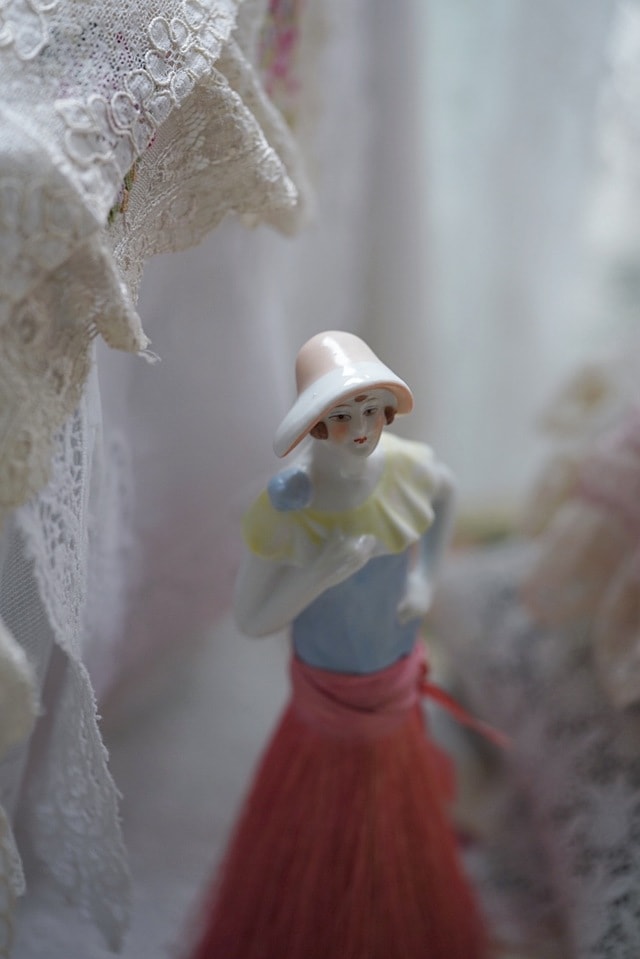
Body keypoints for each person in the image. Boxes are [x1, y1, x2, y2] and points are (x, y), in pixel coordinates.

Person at [188, 331, 488, 959]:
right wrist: (319, 575)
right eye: (344, 415)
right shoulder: (291, 506)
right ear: (317, 423)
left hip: (394, 694)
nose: (362, 429)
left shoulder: (402, 468)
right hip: (326, 708)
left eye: (371, 411)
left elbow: (446, 491)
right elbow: (251, 618)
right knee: (318, 835)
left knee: (394, 832)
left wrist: (426, 579)